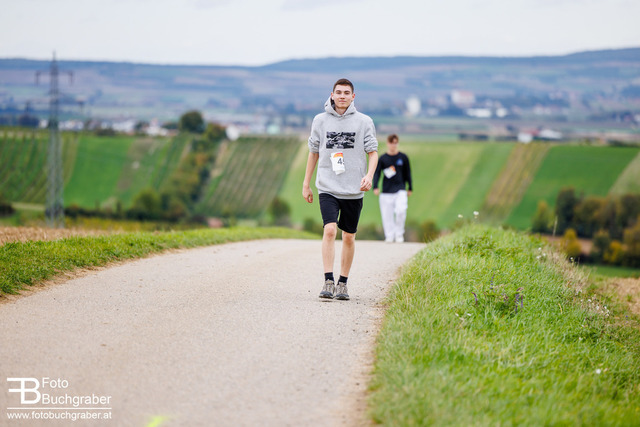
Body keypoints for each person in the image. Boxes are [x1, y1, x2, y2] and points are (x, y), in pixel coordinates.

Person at [302, 78, 378, 301]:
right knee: (329, 230)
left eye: (346, 93)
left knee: (349, 237)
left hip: (353, 189)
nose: (342, 96)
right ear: (332, 95)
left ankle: (342, 283)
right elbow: (313, 152)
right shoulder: (320, 120)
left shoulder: (364, 122)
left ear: (353, 97)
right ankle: (328, 280)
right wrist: (306, 184)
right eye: (339, 92)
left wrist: (369, 176)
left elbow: (373, 152)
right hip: (328, 186)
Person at [373, 134, 413, 243]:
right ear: (388, 143)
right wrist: (375, 186)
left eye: (395, 143)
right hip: (386, 191)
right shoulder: (383, 158)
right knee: (387, 215)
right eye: (392, 143)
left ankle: (399, 234)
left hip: (400, 189)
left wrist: (410, 187)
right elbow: (377, 173)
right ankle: (389, 235)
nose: (393, 145)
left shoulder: (403, 157)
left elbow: (408, 173)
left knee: (401, 211)